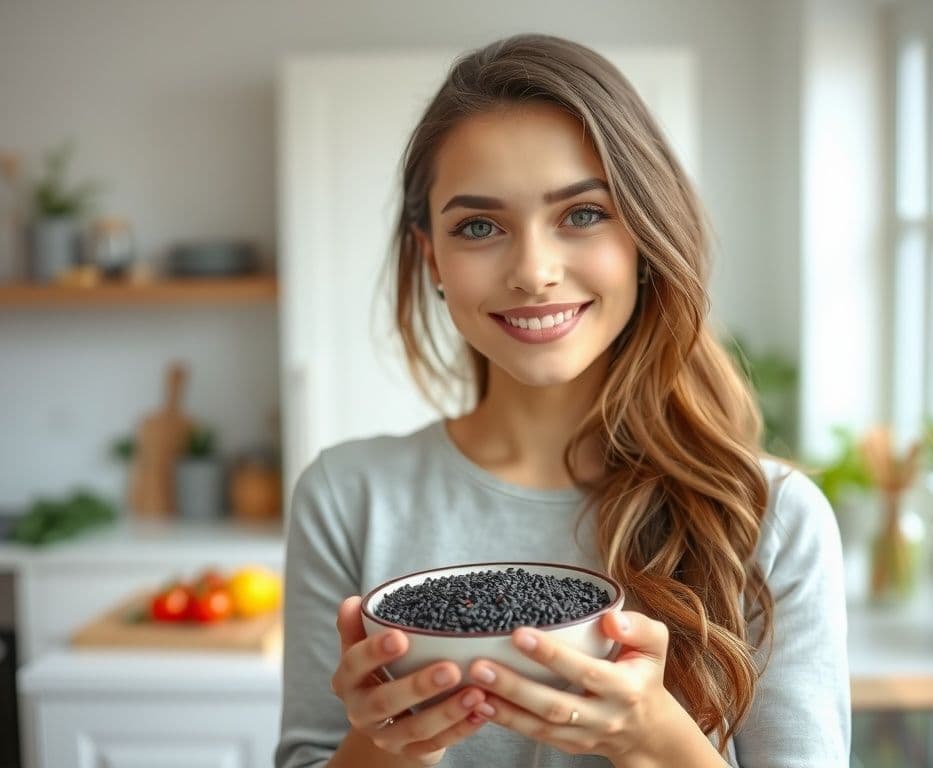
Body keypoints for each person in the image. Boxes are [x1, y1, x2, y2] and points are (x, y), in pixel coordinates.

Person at [274, 33, 850, 768]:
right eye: (479, 226)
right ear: (433, 260)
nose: (534, 271)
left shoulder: (771, 517)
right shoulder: (347, 497)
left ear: (645, 233)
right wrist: (390, 747)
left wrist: (654, 741)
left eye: (582, 214)